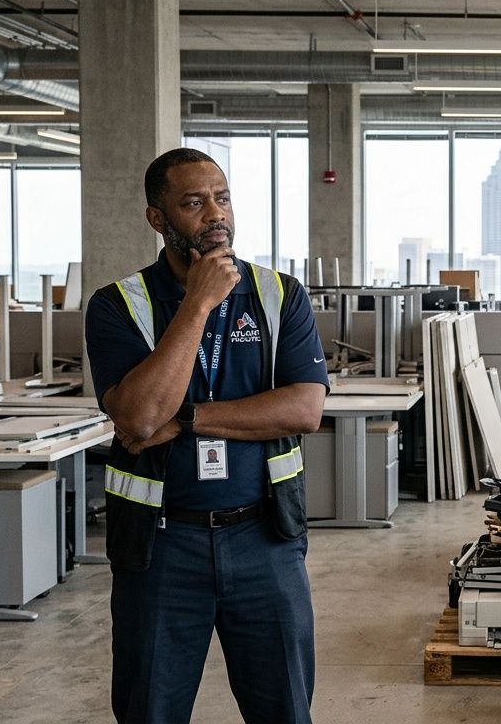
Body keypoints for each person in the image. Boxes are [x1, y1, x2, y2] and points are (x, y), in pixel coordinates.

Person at [85, 148, 328, 723]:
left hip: (265, 540)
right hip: (161, 548)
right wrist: (197, 304)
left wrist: (189, 418)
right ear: (157, 219)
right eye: (193, 203)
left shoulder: (279, 296)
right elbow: (141, 420)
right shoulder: (119, 305)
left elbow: (304, 408)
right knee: (152, 710)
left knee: (286, 710)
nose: (215, 214)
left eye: (222, 198)